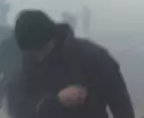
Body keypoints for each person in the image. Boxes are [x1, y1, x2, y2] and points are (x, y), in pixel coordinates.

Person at [6, 10, 135, 118]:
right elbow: (17, 109)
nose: (38, 57)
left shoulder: (92, 56)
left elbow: (121, 104)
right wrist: (56, 102)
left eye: (41, 50)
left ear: (52, 37)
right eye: (32, 53)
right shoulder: (24, 68)